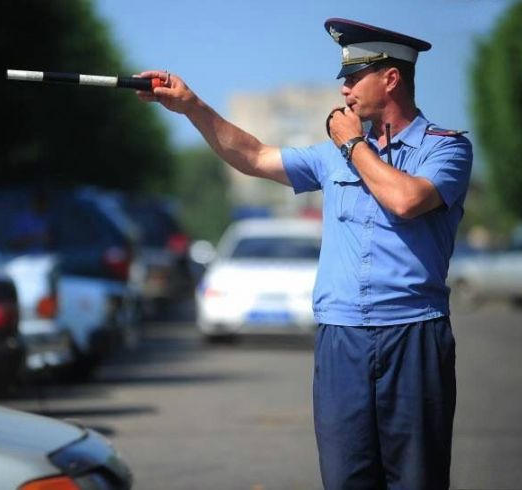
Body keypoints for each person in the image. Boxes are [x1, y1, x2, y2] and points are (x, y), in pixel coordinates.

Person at [136, 17, 472, 490]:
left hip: (412, 332)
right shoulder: (332, 154)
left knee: (417, 479)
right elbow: (253, 156)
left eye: (354, 79)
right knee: (345, 479)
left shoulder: (445, 149)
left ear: (391, 78)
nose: (345, 92)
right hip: (342, 338)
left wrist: (353, 144)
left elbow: (407, 200)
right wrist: (192, 107)